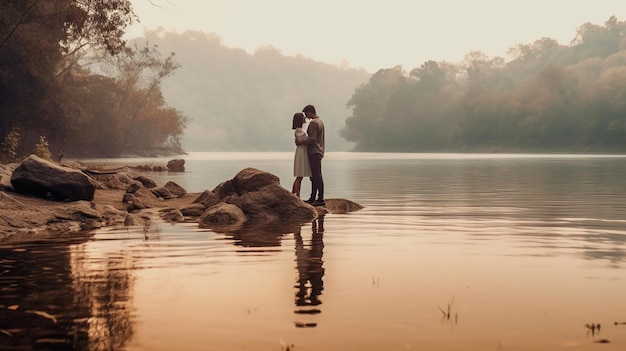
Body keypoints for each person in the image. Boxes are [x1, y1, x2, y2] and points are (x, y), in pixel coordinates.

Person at [296, 104, 325, 206]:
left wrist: (301, 141)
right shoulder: (320, 122)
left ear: (310, 112)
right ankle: (313, 198)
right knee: (314, 176)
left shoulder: (313, 123)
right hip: (319, 150)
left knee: (316, 176)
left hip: (314, 151)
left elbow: (312, 138)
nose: (306, 116)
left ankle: (320, 199)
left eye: (306, 114)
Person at [292, 112, 311, 197]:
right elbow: (305, 141)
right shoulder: (300, 130)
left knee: (299, 176)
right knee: (300, 176)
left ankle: (293, 193)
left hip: (301, 151)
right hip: (301, 152)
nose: (305, 118)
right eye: (303, 117)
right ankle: (297, 195)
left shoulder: (298, 130)